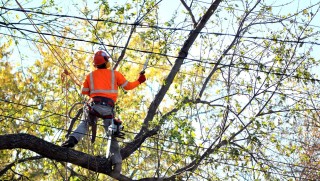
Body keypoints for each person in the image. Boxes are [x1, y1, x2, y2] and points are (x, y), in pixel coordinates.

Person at [62, 50, 146, 177]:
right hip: (108, 108)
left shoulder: (90, 76)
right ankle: (117, 163)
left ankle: (72, 140)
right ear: (106, 61)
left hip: (94, 106)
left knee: (85, 124)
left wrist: (92, 90)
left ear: (95, 64)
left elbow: (84, 92)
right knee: (111, 134)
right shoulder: (115, 74)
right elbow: (128, 86)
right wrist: (139, 80)